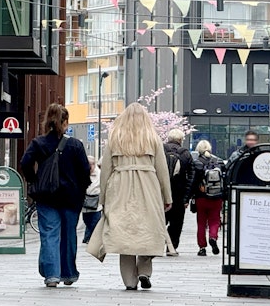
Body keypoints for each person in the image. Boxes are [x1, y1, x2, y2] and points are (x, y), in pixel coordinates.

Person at [97, 103, 172, 291]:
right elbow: (162, 170)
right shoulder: (152, 138)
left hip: (120, 187)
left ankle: (130, 281)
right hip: (148, 186)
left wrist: (103, 198)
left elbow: (106, 169)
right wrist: (167, 196)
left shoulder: (115, 138)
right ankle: (144, 271)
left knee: (125, 233)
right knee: (149, 229)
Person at [20, 103, 91, 288]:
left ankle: (52, 275)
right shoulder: (75, 145)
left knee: (50, 234)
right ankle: (68, 273)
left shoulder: (38, 143)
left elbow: (25, 163)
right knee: (69, 235)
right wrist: (81, 191)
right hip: (71, 198)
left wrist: (35, 180)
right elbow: (85, 171)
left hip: (46, 197)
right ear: (65, 122)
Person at [190, 139, 224, 256]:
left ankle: (202, 248)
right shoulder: (218, 161)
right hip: (216, 197)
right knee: (215, 221)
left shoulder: (197, 162)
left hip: (201, 198)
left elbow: (193, 182)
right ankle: (213, 237)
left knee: (201, 223)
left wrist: (189, 197)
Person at [163, 128, 194, 254]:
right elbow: (191, 177)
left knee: (159, 221)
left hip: (160, 193)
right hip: (178, 194)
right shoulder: (185, 153)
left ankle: (156, 246)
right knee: (176, 223)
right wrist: (187, 197)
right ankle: (172, 247)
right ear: (181, 140)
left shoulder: (160, 150)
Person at [82, 156, 102, 243]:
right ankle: (88, 238)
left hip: (96, 204)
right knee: (87, 221)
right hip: (85, 206)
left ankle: (93, 241)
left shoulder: (100, 174)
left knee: (95, 223)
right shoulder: (82, 172)